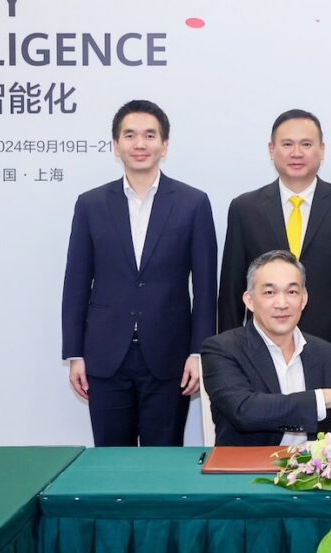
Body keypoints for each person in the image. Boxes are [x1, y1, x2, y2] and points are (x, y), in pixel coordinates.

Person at [61, 100, 217, 446]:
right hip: (105, 356)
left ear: (165, 144)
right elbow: (76, 283)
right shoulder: (90, 204)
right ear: (116, 146)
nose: (140, 144)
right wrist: (75, 353)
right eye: (129, 135)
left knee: (163, 460)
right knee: (110, 459)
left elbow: (206, 288)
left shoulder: (193, 203)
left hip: (169, 357)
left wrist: (199, 353)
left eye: (149, 135)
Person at [217, 109, 331, 387]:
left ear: (322, 150)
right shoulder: (245, 209)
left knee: (330, 416)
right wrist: (227, 356)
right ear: (271, 150)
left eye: (306, 144)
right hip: (259, 351)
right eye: (287, 144)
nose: (296, 153)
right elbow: (232, 291)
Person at [202, 250, 331, 446]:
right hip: (248, 464)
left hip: (310, 464)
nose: (282, 304)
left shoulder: (324, 352)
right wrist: (325, 398)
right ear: (249, 300)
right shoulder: (222, 349)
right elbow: (245, 411)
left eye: (292, 292)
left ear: (304, 299)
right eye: (269, 292)